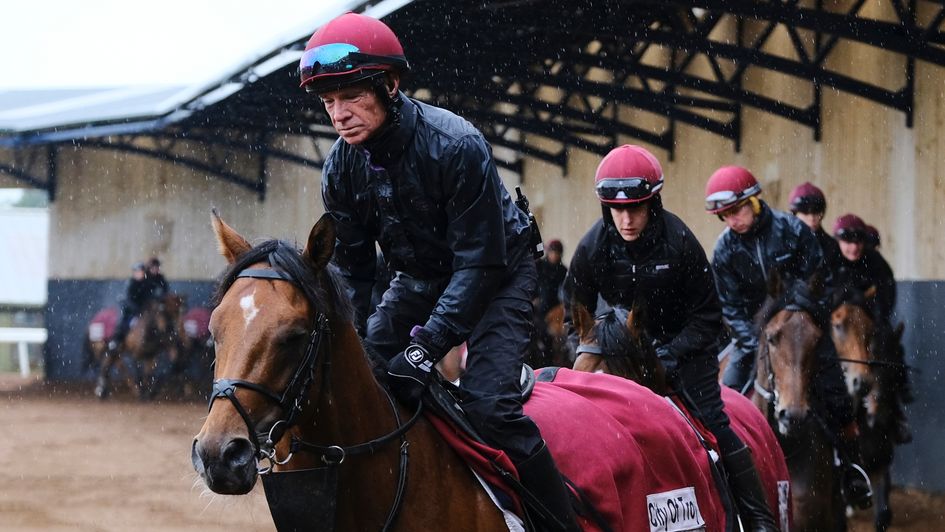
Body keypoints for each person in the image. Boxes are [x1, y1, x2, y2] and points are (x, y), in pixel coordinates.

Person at [300, 12, 579, 531]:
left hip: (499, 272)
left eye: (350, 97)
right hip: (419, 279)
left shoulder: (456, 144)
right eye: (328, 102)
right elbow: (354, 277)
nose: (338, 114)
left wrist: (425, 347)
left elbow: (478, 265)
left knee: (489, 406)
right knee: (359, 380)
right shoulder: (339, 168)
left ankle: (558, 524)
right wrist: (350, 342)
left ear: (390, 84)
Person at [565, 145, 778, 531]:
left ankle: (759, 519)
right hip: (622, 354)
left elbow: (709, 318)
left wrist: (669, 354)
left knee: (716, 423)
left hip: (686, 352)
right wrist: (592, 348)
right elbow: (572, 313)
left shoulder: (680, 242)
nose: (627, 219)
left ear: (653, 203)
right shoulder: (592, 246)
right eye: (617, 209)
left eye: (636, 209)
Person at [705, 166, 873, 510]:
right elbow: (730, 306)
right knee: (727, 395)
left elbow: (819, 279)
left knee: (836, 393)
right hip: (755, 336)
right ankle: (718, 471)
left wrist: (795, 310)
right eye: (723, 216)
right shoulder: (723, 250)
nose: (731, 221)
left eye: (735, 211)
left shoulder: (792, 230)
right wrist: (754, 341)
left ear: (753, 201)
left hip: (802, 325)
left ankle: (852, 471)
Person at [832, 214, 912, 443]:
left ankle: (895, 408)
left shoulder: (876, 262)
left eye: (858, 242)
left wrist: (868, 313)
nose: (854, 247)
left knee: (889, 343)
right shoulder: (828, 258)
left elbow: (886, 301)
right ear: (838, 241)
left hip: (869, 323)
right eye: (848, 242)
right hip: (836, 325)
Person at [109, 260, 166, 350]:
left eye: (141, 271)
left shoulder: (148, 283)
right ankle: (116, 340)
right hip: (132, 310)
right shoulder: (131, 283)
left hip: (144, 309)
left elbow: (151, 296)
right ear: (134, 273)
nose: (139, 274)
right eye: (137, 272)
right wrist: (136, 309)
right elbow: (129, 299)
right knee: (124, 322)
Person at [788, 181, 842, 272]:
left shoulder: (832, 246)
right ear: (794, 214)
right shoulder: (782, 242)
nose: (811, 218)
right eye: (805, 212)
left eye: (816, 211)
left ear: (822, 213)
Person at [536, 239, 567, 318]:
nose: (554, 255)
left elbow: (565, 291)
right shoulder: (539, 266)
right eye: (552, 252)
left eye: (557, 252)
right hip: (538, 306)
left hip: (555, 309)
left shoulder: (563, 271)